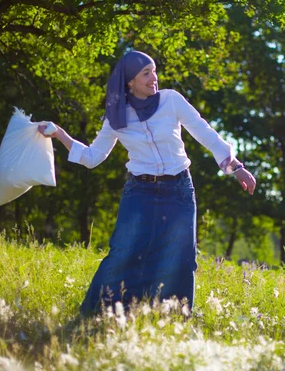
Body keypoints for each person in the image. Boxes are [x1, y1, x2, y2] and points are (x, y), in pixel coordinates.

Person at [39, 51, 256, 316]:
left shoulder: (171, 100)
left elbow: (205, 133)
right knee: (122, 254)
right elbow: (92, 157)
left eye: (154, 71)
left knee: (182, 258)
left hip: (179, 190)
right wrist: (60, 134)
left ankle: (173, 320)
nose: (154, 77)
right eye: (146, 73)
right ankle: (99, 315)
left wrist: (236, 167)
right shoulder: (117, 117)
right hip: (139, 192)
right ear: (129, 81)